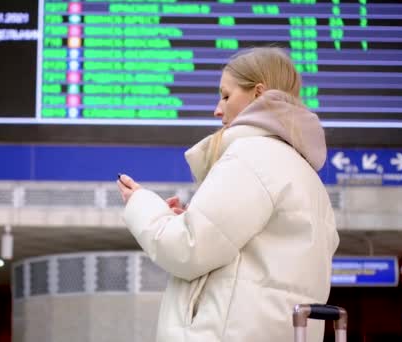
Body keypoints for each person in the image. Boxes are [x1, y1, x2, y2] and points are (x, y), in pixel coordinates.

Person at [117, 47, 339, 342]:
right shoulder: (307, 177)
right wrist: (191, 218)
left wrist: (142, 205)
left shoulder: (252, 157)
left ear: (258, 93)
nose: (217, 109)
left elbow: (187, 248)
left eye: (226, 95)